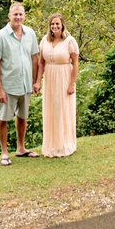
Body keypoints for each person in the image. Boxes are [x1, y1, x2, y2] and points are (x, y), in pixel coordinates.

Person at [0, 1, 41, 165]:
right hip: (8, 86)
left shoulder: (30, 33)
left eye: (21, 14)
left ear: (24, 16)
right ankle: (4, 153)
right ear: (9, 16)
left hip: (25, 85)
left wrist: (35, 81)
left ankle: (21, 148)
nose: (18, 17)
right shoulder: (1, 36)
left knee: (22, 117)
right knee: (3, 118)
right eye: (15, 14)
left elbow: (34, 58)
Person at [38, 12, 80, 158]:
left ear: (62, 25)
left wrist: (71, 84)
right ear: (49, 26)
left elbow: (75, 64)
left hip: (64, 77)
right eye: (52, 24)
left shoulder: (70, 41)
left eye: (57, 24)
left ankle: (64, 144)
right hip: (49, 78)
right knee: (50, 110)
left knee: (62, 110)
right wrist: (38, 81)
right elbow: (41, 63)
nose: (55, 26)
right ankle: (51, 146)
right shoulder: (44, 40)